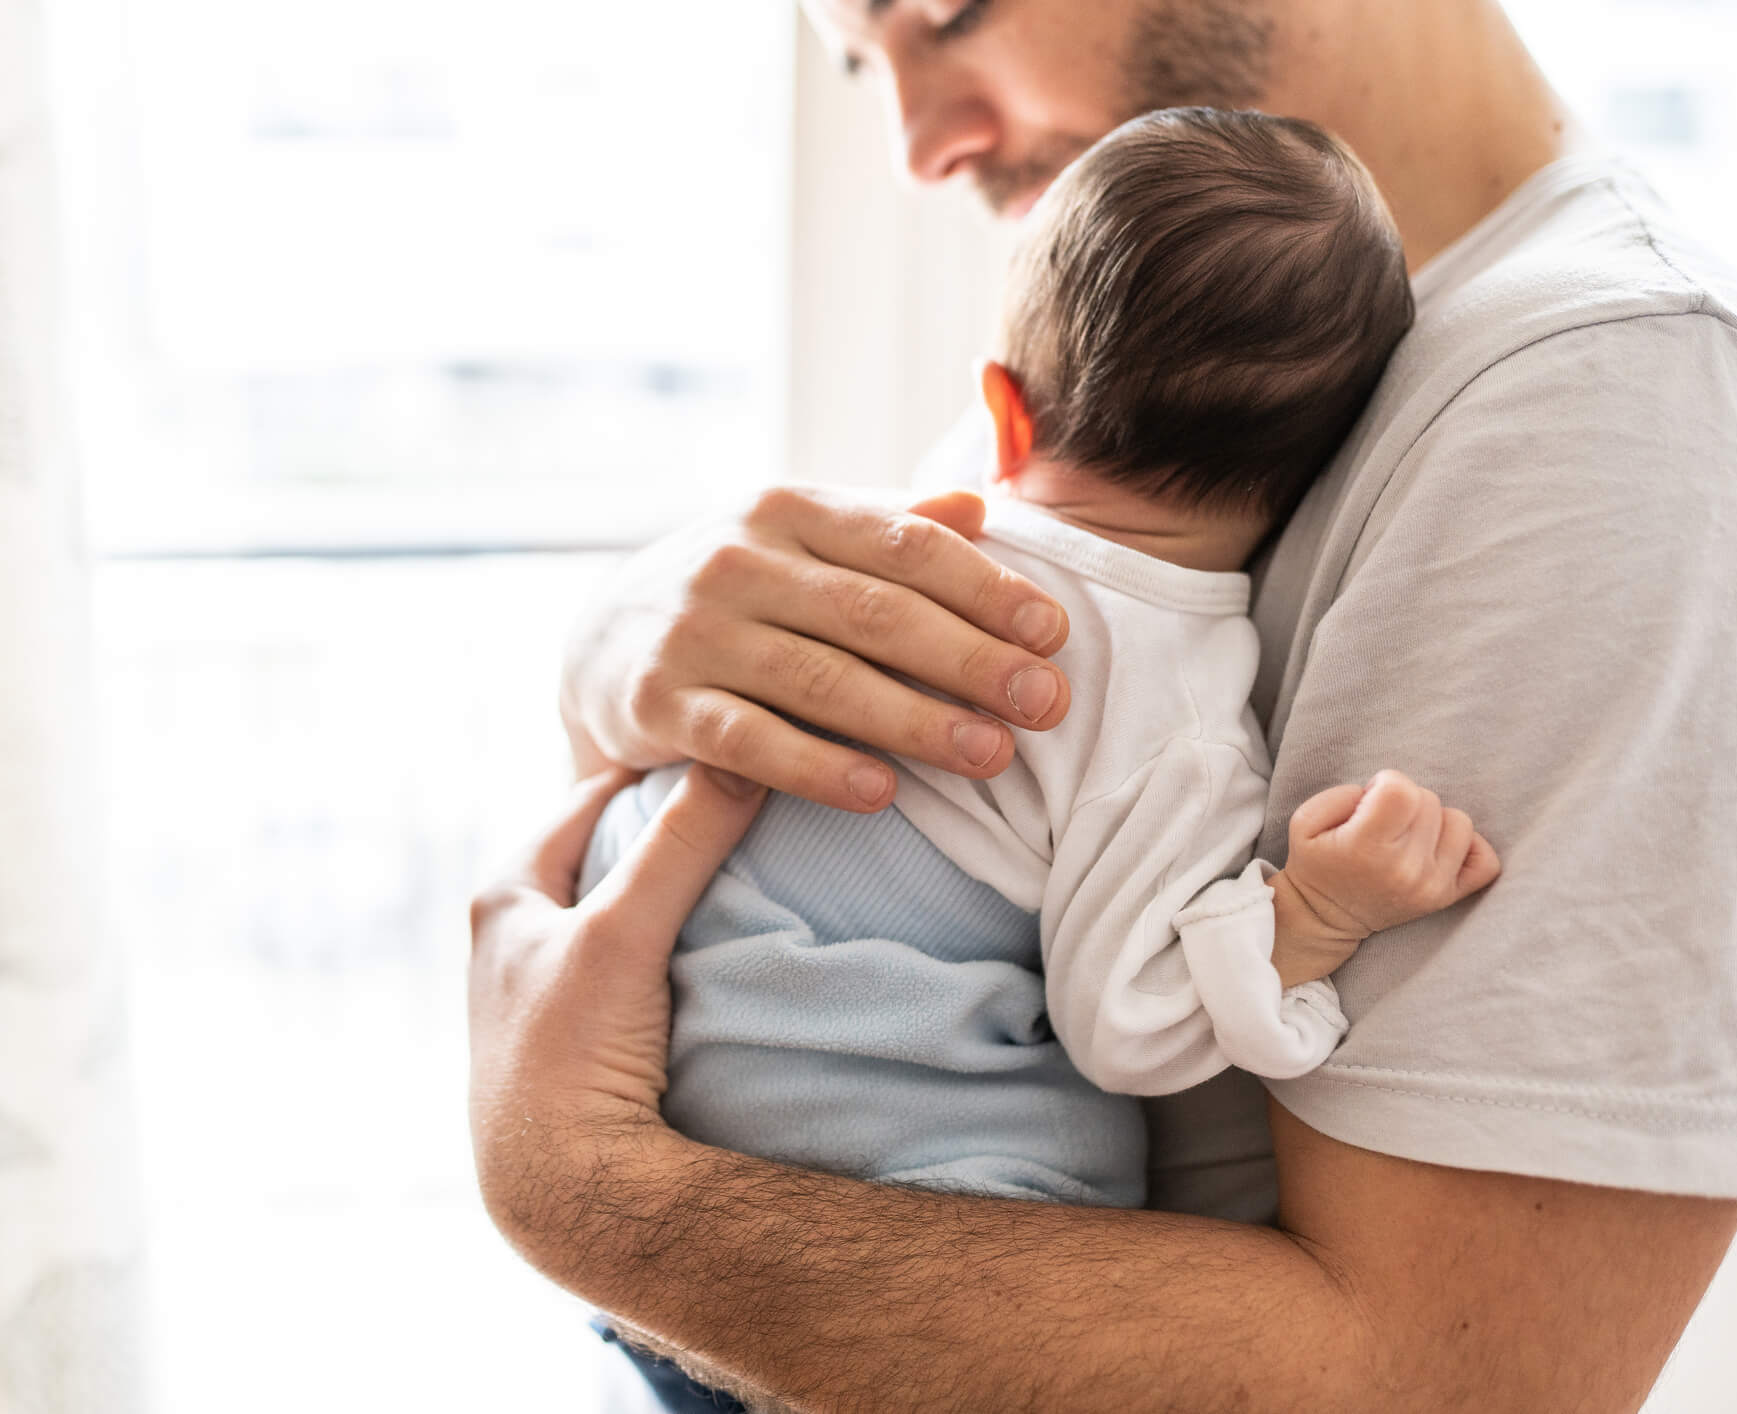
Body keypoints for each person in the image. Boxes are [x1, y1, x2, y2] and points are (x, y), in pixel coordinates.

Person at [468, 1, 1737, 1408]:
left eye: (945, 11)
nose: (913, 142)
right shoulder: (1168, 316)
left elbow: (1445, 1385)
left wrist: (574, 1186)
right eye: (855, 59)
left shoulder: (1602, 401)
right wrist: (617, 648)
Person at [578, 107, 1502, 1413]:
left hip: (671, 1143)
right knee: (1075, 1164)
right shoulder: (1167, 713)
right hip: (874, 1188)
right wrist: (1308, 915)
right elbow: (1128, 1022)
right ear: (1312, 477)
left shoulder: (885, 562)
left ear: (1001, 414)